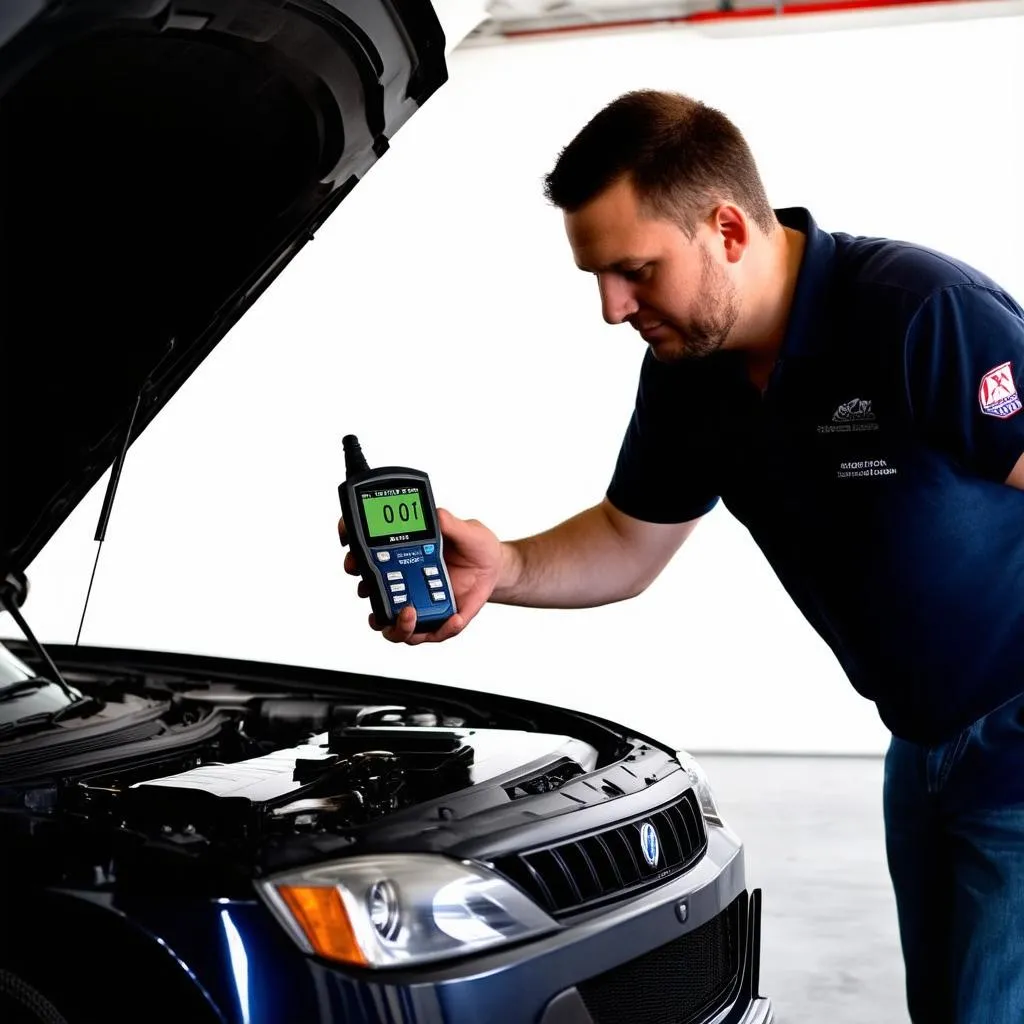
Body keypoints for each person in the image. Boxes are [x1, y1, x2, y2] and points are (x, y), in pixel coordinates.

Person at [338, 90, 1024, 1023]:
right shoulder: (688, 374)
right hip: (922, 738)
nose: (614, 310)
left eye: (634, 271)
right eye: (598, 278)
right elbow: (628, 540)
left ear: (728, 229)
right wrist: (502, 567)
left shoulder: (922, 312)